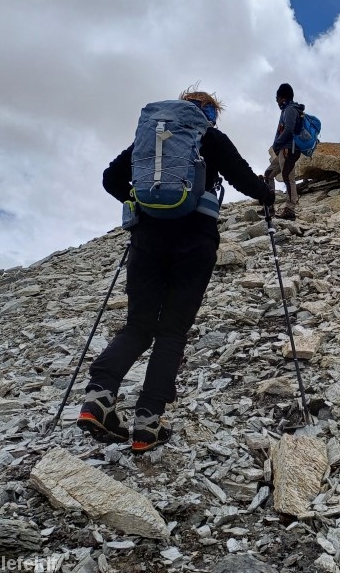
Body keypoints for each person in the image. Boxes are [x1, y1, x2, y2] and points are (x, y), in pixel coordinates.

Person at [78, 89, 276, 452]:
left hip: (146, 243)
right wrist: (267, 194)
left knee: (138, 326)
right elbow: (244, 180)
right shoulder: (210, 137)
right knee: (171, 332)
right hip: (195, 244)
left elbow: (111, 178)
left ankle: (98, 397)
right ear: (209, 114)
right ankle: (147, 423)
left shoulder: (150, 139)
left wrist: (138, 204)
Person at [263, 82, 302, 220]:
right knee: (268, 174)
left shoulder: (290, 110)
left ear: (282, 97)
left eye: (277, 98)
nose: (276, 101)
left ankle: (290, 209)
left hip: (288, 149)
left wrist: (277, 143)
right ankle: (269, 206)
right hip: (283, 150)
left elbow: (289, 130)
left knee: (288, 177)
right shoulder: (287, 110)